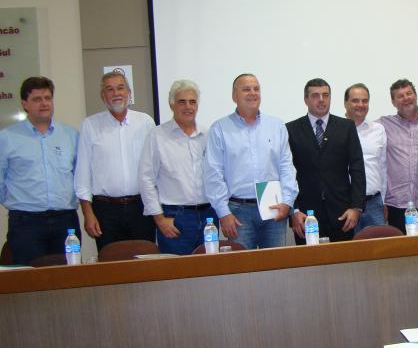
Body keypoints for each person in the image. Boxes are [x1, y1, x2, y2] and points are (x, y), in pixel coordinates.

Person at [204, 74, 297, 249]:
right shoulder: (220, 128)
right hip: (238, 212)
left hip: (274, 208)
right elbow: (213, 173)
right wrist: (224, 213)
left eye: (256, 89)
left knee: (276, 266)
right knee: (242, 269)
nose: (252, 93)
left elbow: (286, 167)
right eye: (246, 89)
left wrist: (287, 202)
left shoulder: (276, 126)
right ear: (234, 96)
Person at [0, 77, 80, 265]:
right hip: (26, 222)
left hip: (65, 222)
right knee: (29, 279)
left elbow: (79, 177)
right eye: (37, 99)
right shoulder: (7, 138)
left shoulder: (70, 135)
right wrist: (16, 203)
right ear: (24, 104)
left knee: (69, 278)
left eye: (47, 98)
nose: (44, 103)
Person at [74, 71, 156, 250]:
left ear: (129, 92)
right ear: (103, 96)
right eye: (110, 89)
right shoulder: (90, 125)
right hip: (105, 210)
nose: (116, 93)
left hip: (141, 208)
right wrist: (88, 214)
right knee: (110, 267)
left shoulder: (146, 122)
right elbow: (82, 174)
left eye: (120, 88)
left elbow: (155, 169)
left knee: (145, 266)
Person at [139, 80, 217, 255]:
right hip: (174, 218)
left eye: (192, 101)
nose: (188, 106)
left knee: (210, 272)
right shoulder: (157, 136)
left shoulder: (208, 135)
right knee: (177, 274)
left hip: (208, 216)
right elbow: (146, 179)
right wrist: (159, 219)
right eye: (182, 101)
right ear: (171, 104)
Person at [286, 78, 365, 243]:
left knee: (345, 264)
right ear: (306, 99)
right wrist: (293, 211)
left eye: (325, 95)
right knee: (308, 265)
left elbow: (357, 168)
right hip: (305, 216)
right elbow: (286, 173)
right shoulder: (291, 129)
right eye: (315, 95)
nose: (321, 100)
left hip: (342, 213)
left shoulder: (346, 127)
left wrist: (356, 207)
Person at [376, 79, 418, 232]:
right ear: (393, 101)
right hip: (397, 205)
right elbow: (359, 126)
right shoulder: (382, 125)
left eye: (409, 93)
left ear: (416, 95)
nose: (406, 98)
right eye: (400, 96)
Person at [344, 83, 387, 233]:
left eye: (365, 100)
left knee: (380, 251)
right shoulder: (337, 130)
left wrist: (384, 201)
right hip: (347, 205)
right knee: (351, 253)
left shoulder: (378, 129)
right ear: (346, 103)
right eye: (355, 100)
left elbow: (383, 167)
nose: (360, 105)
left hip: (375, 203)